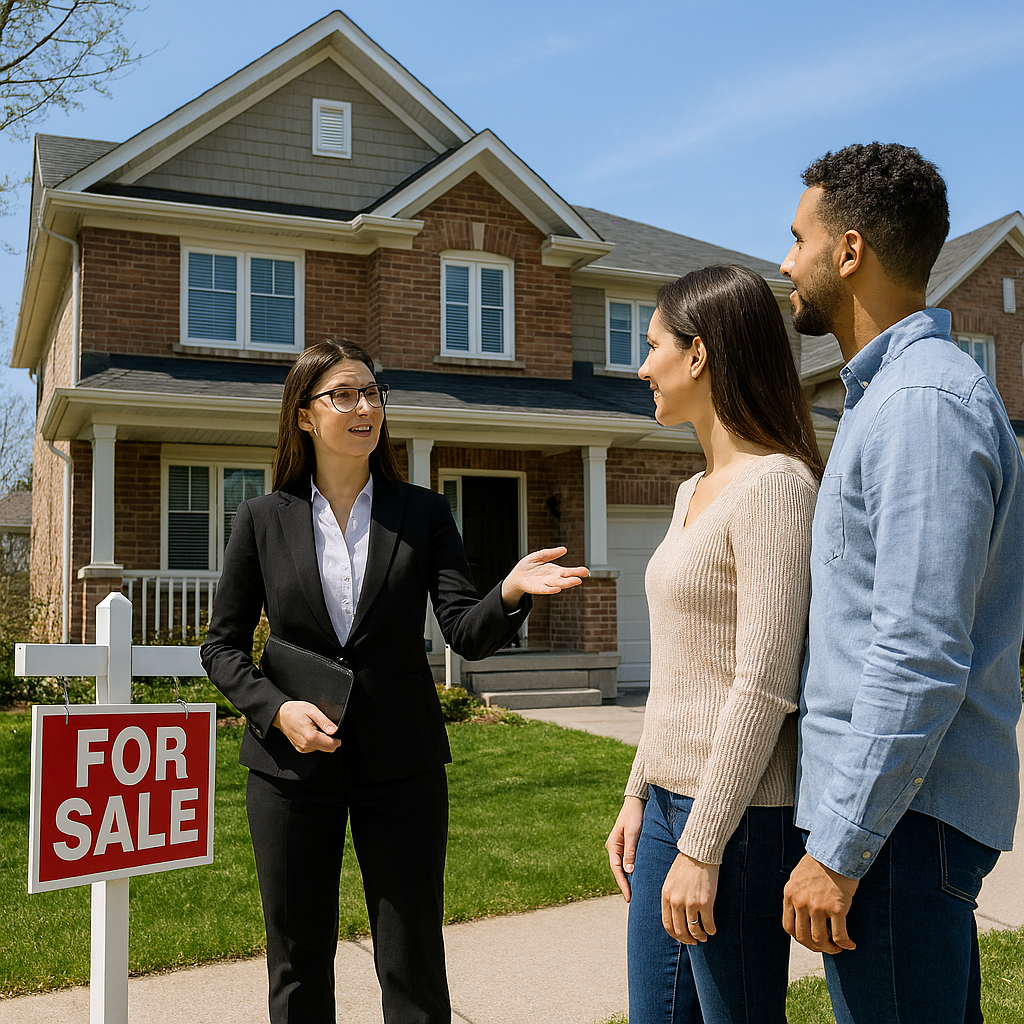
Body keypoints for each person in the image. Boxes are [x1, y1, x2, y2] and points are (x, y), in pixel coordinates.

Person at [200, 339, 588, 1024]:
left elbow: (464, 629)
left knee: (412, 965)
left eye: (373, 393)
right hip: (290, 771)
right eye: (344, 395)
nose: (364, 408)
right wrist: (278, 710)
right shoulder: (262, 519)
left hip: (402, 765)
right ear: (304, 415)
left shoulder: (423, 512)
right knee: (296, 964)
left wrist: (509, 591)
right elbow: (222, 647)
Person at [780, 143, 1024, 1024]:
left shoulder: (922, 404)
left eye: (798, 238)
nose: (785, 263)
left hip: (896, 831)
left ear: (849, 252)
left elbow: (919, 649)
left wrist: (840, 848)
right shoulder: (891, 398)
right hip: (896, 825)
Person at [605, 264, 823, 1024]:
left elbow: (765, 684)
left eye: (652, 345)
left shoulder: (777, 488)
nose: (642, 367)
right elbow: (679, 671)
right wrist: (638, 793)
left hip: (739, 817)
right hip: (668, 806)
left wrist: (703, 846)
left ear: (698, 355)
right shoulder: (689, 491)